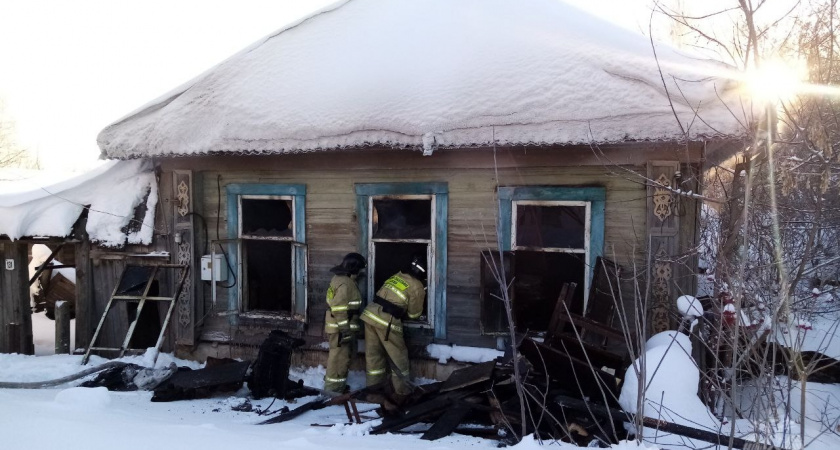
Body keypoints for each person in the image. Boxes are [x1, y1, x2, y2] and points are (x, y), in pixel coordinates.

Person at [361, 254, 426, 399]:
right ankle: (402, 395)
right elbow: (414, 314)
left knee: (374, 359)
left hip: (370, 315)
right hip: (387, 321)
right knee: (399, 359)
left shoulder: (397, 275)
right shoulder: (417, 286)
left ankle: (374, 396)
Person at [323, 252, 366, 393]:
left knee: (341, 357)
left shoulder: (339, 278)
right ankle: (333, 391)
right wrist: (345, 330)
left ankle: (336, 388)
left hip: (338, 326)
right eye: (360, 269)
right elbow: (339, 309)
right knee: (338, 360)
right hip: (340, 328)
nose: (361, 272)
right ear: (354, 269)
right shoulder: (346, 284)